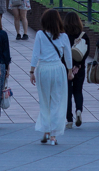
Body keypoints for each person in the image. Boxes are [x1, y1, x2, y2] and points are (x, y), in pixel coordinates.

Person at [29, 8, 73, 146]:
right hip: (58, 69)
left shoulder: (40, 35)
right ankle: (53, 135)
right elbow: (68, 56)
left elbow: (35, 54)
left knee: (44, 101)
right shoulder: (64, 36)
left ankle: (46, 131)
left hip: (43, 69)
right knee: (57, 101)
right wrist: (70, 71)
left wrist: (31, 71)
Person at [63, 11, 89, 128]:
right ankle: (79, 110)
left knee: (67, 94)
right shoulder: (84, 36)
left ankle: (69, 119)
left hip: (66, 69)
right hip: (79, 69)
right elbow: (86, 52)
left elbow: (62, 54)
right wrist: (78, 65)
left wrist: (69, 66)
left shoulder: (63, 36)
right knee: (78, 91)